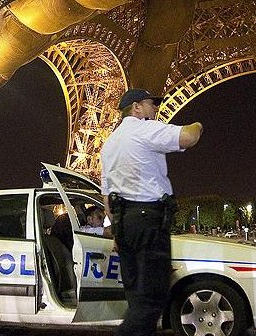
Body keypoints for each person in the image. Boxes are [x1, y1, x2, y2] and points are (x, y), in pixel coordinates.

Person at [100, 88, 203, 336]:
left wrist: (117, 231)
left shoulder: (109, 144)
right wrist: (199, 124)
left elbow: (107, 196)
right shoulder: (144, 129)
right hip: (148, 222)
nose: (155, 108)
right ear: (137, 107)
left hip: (125, 226)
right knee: (153, 298)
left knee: (137, 299)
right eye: (151, 103)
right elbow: (189, 136)